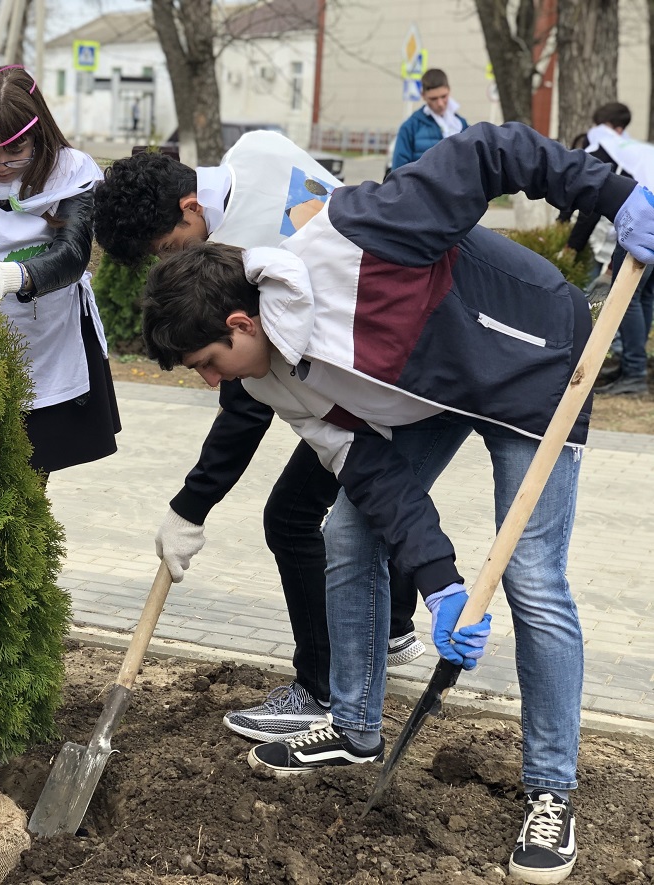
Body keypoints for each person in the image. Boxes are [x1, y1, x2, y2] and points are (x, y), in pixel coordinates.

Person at [137, 121, 654, 884]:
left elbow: (491, 151)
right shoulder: (269, 378)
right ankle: (353, 724)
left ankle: (552, 788)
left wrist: (616, 195)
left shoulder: (356, 235)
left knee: (532, 580)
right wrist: (441, 582)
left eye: (209, 362)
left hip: (536, 363)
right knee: (350, 528)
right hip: (428, 394)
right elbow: (372, 472)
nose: (215, 382)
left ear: (240, 321)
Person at [92, 136, 425, 746]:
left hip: (364, 376)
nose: (168, 261)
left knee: (294, 516)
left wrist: (191, 506)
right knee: (357, 503)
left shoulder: (253, 258)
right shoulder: (258, 148)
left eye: (168, 246)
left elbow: (247, 403)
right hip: (372, 358)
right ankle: (396, 624)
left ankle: (322, 688)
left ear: (191, 208)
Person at [0, 64, 120, 475]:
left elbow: (73, 254)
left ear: (39, 132)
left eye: (15, 151)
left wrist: (10, 277)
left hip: (49, 333)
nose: (0, 166)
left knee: (31, 469)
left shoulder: (69, 171)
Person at [563, 101, 654, 396]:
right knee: (646, 296)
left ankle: (635, 373)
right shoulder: (634, 149)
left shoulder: (605, 149)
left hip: (643, 223)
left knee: (627, 299)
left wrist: (572, 245)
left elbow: (593, 203)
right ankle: (632, 366)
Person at [390, 68, 468, 171]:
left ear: (449, 90)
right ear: (423, 96)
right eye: (433, 99)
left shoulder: (460, 124)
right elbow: (399, 172)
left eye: (443, 96)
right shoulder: (410, 127)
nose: (440, 104)